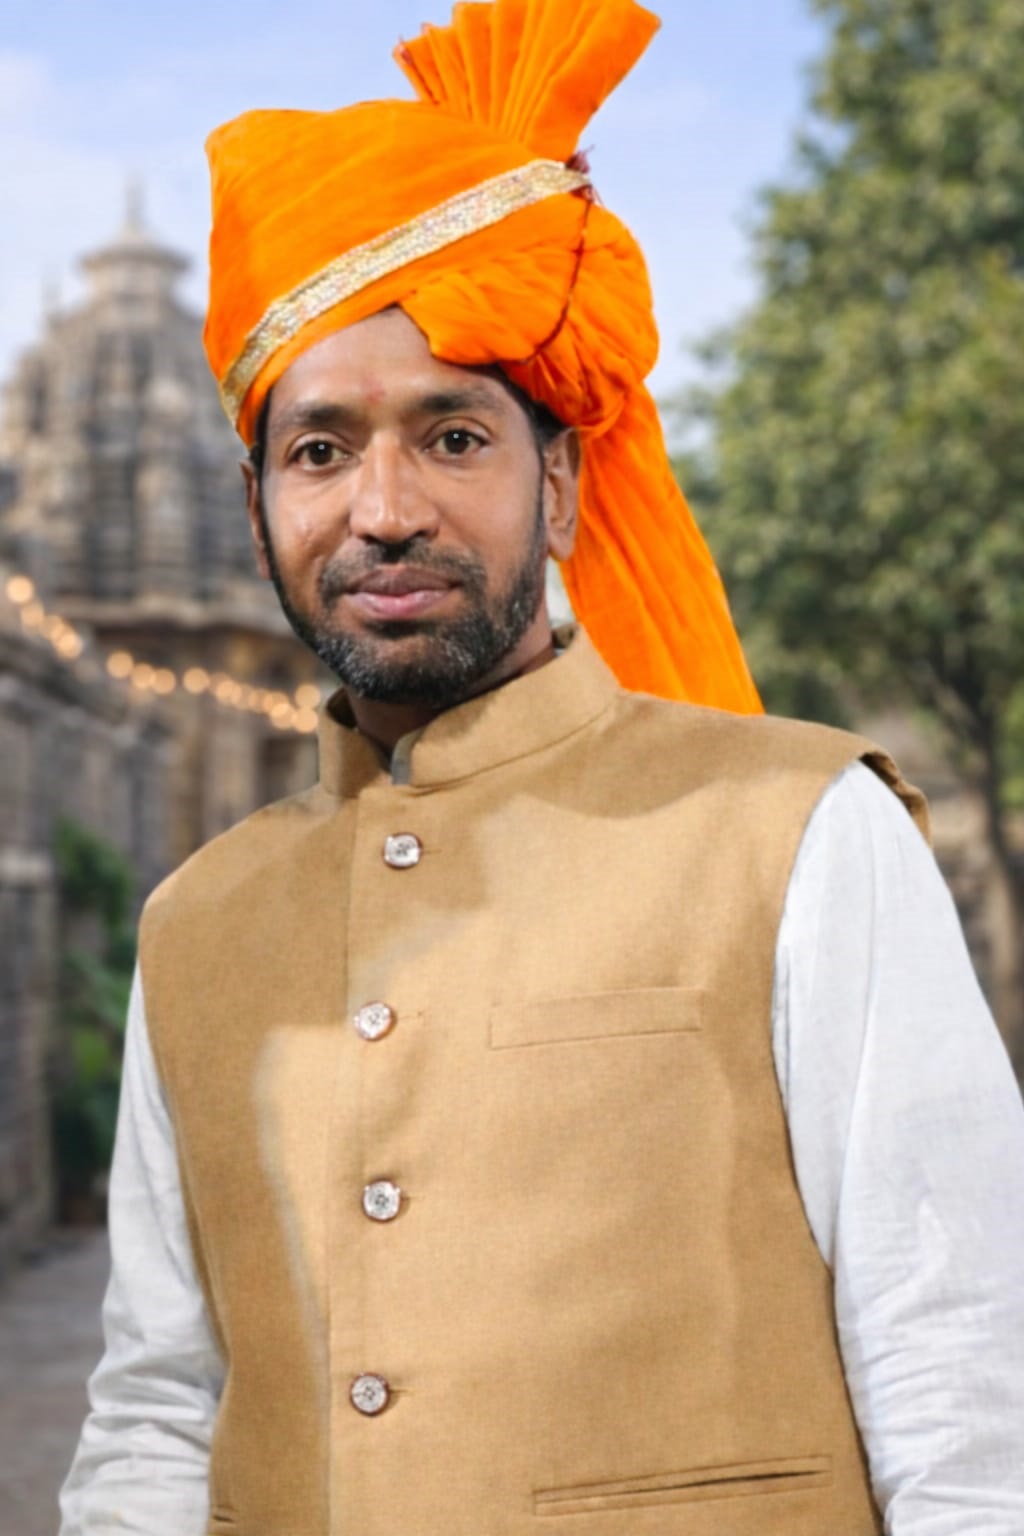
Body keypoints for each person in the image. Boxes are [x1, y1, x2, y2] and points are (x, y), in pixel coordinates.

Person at [60, 1, 1024, 1532]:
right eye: (320, 451)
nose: (383, 510)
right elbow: (158, 1414)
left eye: (453, 438)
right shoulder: (196, 926)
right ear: (256, 510)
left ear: (561, 481)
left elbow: (969, 1411)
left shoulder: (804, 836)